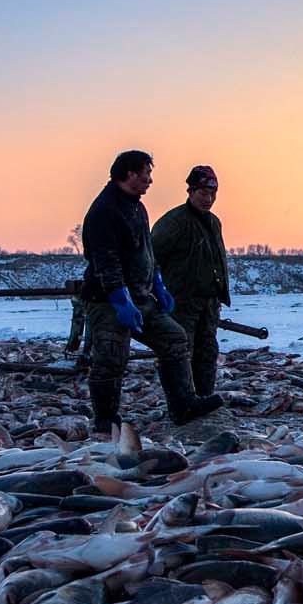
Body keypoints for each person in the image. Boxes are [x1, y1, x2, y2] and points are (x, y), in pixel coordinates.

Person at [81, 150, 223, 433]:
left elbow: (147, 251)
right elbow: (106, 262)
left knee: (174, 338)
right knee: (111, 357)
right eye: (146, 173)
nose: (150, 180)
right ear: (130, 174)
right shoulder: (104, 210)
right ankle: (105, 420)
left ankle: (183, 404)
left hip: (142, 297)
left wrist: (158, 284)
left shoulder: (137, 207)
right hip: (109, 299)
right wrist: (121, 301)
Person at [151, 165, 231, 396]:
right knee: (181, 351)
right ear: (191, 191)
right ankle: (183, 401)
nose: (209, 199)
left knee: (207, 351)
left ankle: (204, 397)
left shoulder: (214, 222)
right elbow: (151, 257)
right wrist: (156, 289)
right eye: (203, 194)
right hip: (182, 301)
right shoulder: (173, 222)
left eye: (213, 194)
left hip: (209, 301)